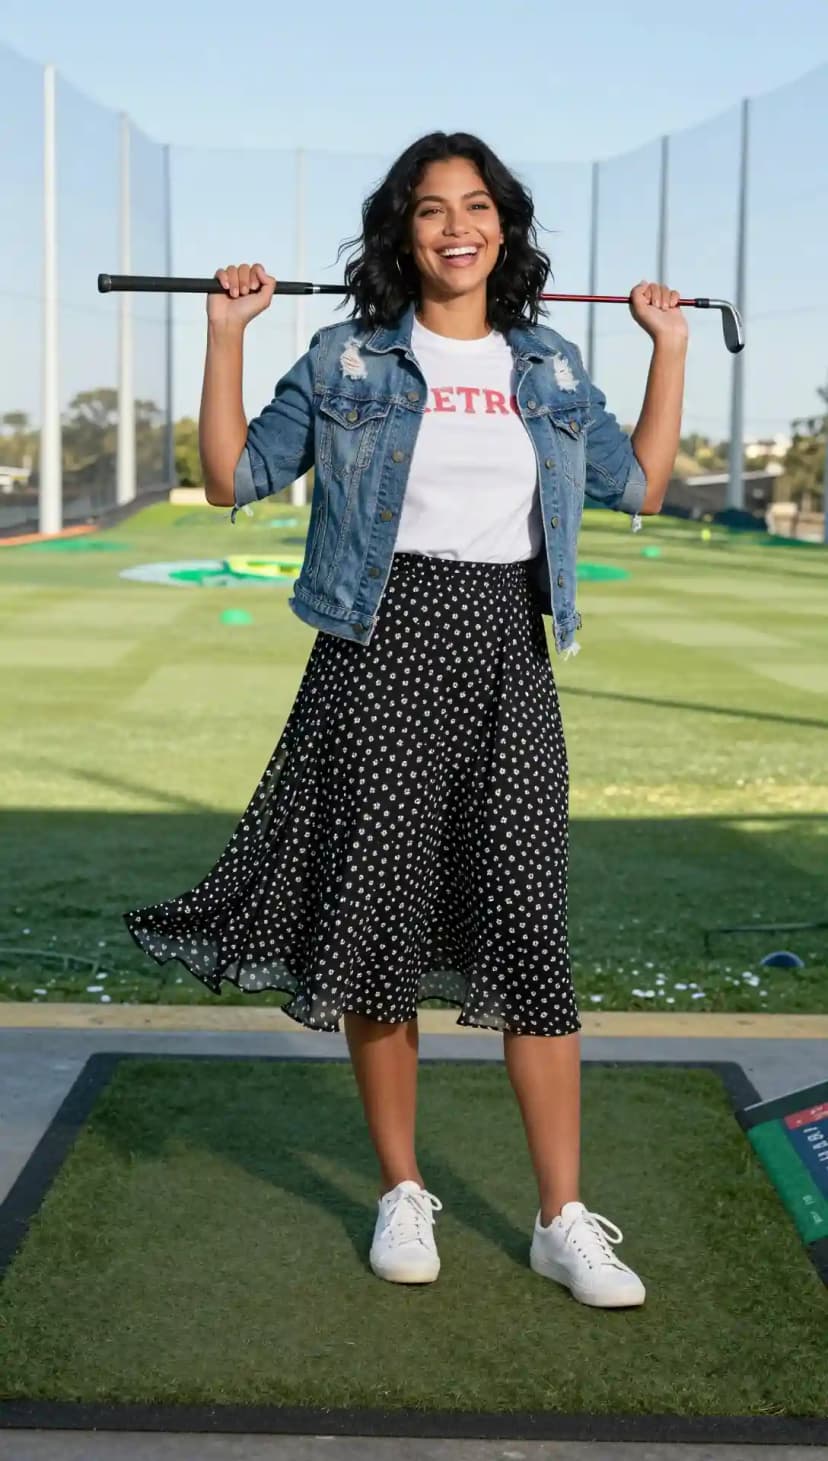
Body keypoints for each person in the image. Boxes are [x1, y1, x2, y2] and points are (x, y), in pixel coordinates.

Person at [124, 131, 687, 1310]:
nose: (454, 226)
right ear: (403, 231)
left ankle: (561, 1217)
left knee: (529, 927)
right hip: (377, 651)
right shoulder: (346, 359)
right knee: (376, 926)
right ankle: (399, 1187)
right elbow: (232, 476)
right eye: (430, 209)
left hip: (506, 659)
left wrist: (668, 350)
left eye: (474, 205)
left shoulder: (551, 363)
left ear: (502, 227)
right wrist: (226, 337)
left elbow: (637, 485)